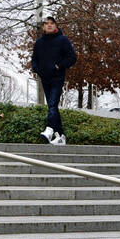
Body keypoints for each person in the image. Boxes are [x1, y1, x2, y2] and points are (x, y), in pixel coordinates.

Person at [30, 15, 77, 145]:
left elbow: (72, 57)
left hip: (57, 77)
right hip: (45, 78)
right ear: (43, 27)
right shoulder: (39, 42)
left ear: (55, 26)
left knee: (52, 104)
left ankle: (49, 129)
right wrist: (36, 69)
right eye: (47, 23)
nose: (49, 25)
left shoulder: (63, 40)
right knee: (53, 107)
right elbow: (34, 59)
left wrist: (59, 66)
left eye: (52, 23)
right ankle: (61, 136)